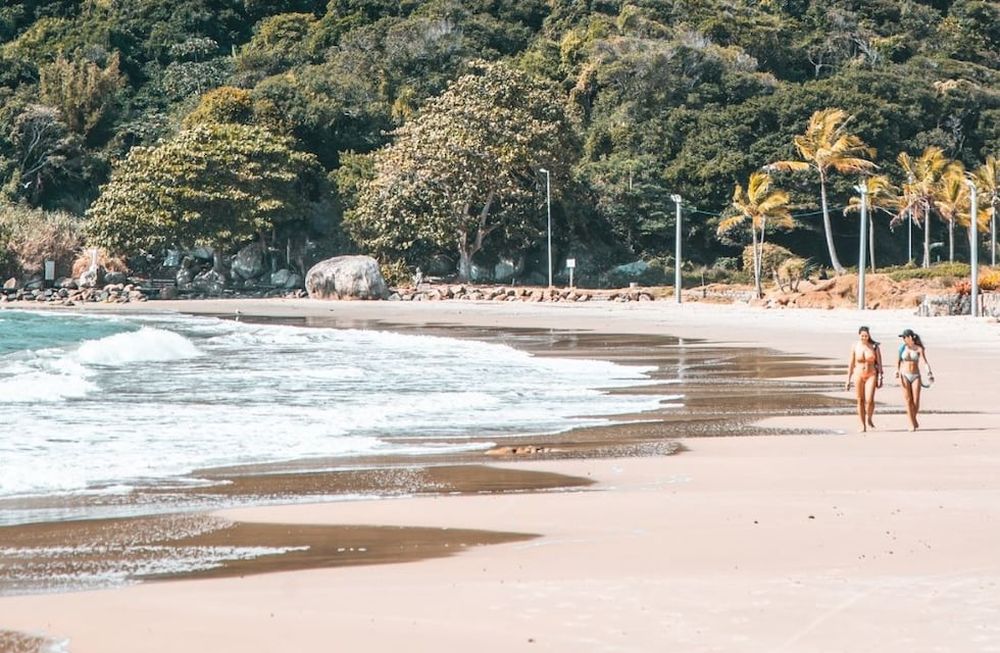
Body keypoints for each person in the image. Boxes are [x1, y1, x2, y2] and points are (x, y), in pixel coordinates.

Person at [845, 326, 883, 432]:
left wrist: (880, 377)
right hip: (858, 374)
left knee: (869, 400)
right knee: (860, 400)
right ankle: (862, 425)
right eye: (862, 336)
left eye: (866, 336)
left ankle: (869, 418)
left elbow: (879, 363)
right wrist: (848, 379)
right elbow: (851, 363)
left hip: (871, 374)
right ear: (859, 335)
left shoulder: (874, 347)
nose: (864, 337)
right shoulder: (855, 346)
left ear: (869, 335)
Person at [895, 328, 933, 431]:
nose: (903, 339)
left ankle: (913, 417)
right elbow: (898, 361)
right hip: (904, 375)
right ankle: (911, 423)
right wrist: (897, 371)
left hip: (915, 375)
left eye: (905, 337)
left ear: (910, 337)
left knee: (916, 400)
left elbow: (925, 362)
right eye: (903, 338)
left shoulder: (919, 349)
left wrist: (929, 373)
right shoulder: (902, 348)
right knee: (908, 400)